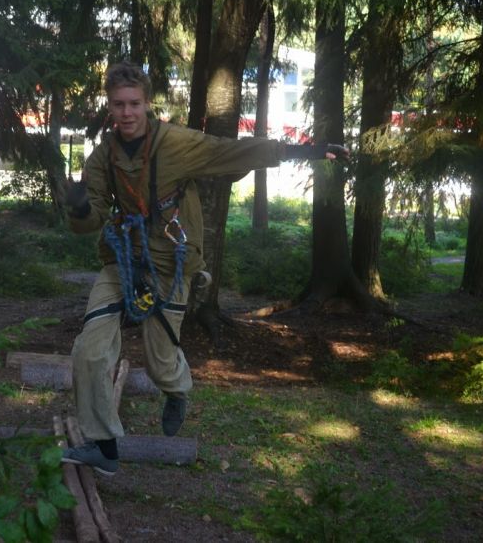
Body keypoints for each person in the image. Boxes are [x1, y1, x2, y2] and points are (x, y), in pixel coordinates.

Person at [61, 61, 349, 476]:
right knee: (89, 350)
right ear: (110, 106)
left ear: (146, 103)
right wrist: (79, 208)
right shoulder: (103, 157)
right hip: (122, 261)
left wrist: (306, 150)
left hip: (170, 264)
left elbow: (229, 151)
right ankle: (104, 448)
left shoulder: (176, 143)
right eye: (119, 104)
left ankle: (177, 390)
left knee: (161, 362)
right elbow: (89, 220)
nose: (126, 113)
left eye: (134, 104)